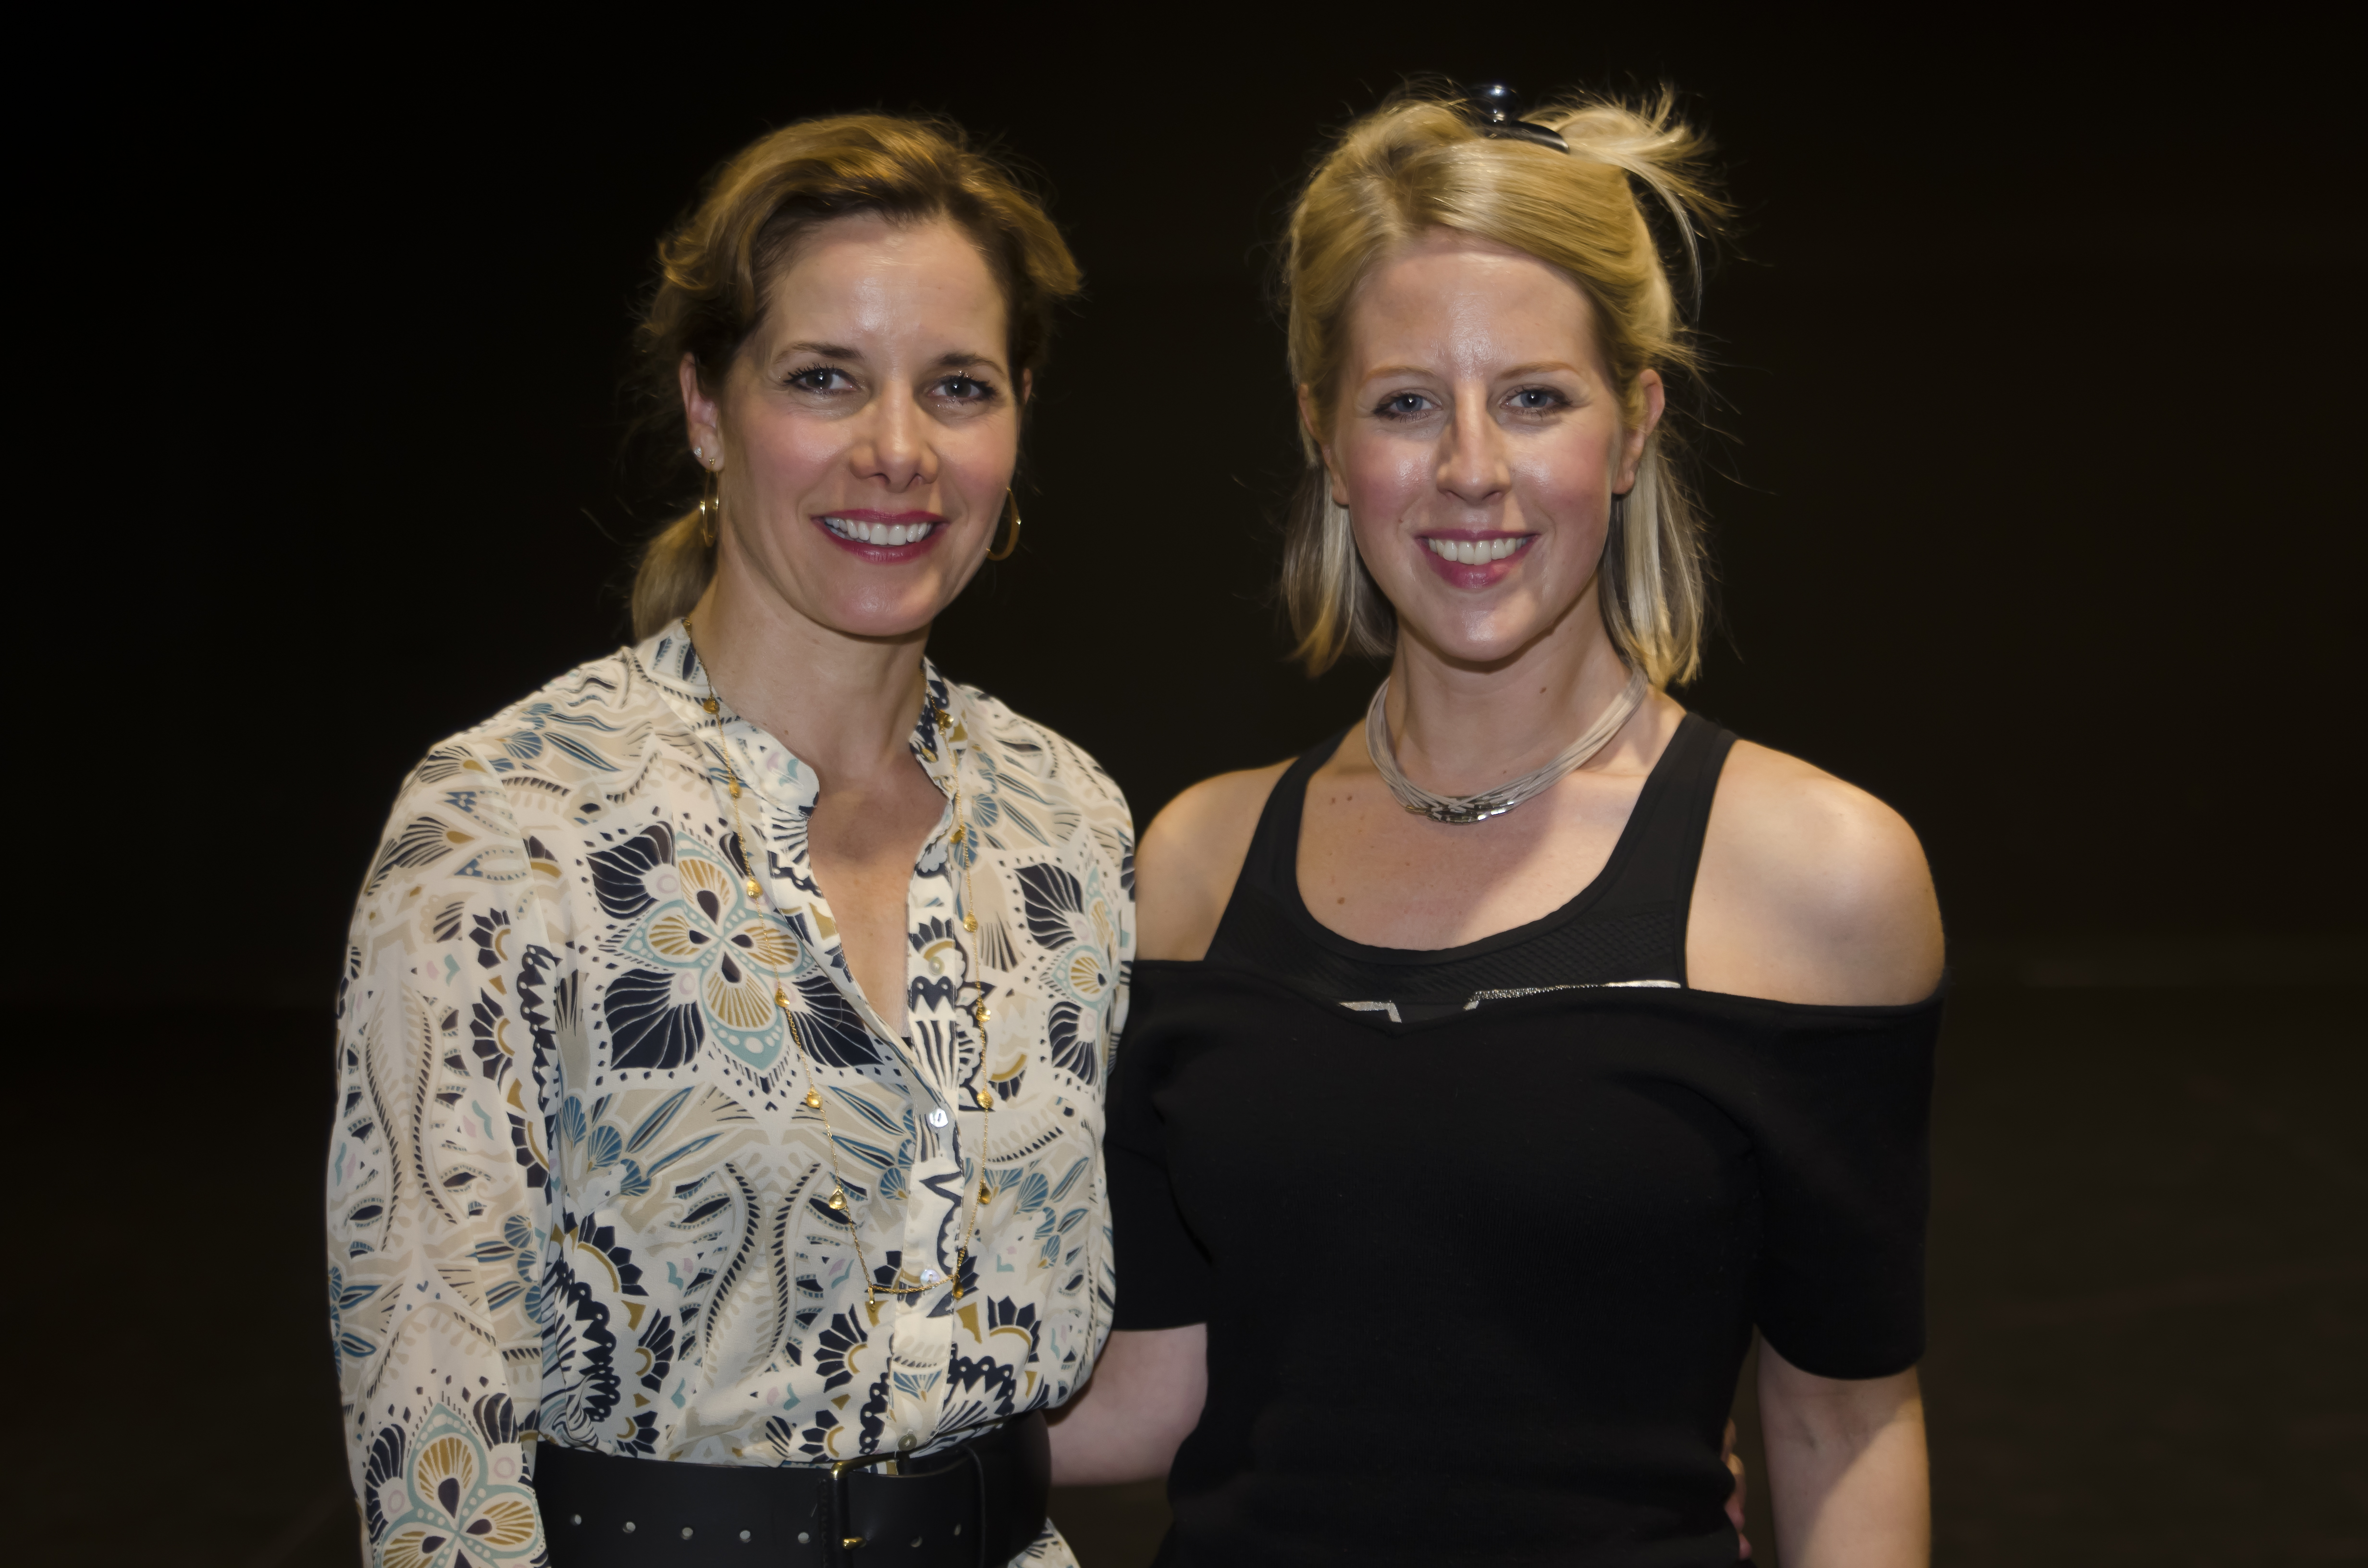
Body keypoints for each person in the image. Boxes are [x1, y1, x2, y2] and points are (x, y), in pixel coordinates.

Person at [1048, 86, 1943, 1566]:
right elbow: (1155, 1390)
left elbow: (1843, 1423)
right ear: (1326, 442)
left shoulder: (1822, 875)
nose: (1472, 468)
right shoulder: (1194, 865)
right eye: (1406, 402)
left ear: (1635, 423)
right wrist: (741, 1417)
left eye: (1535, 397)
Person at [326, 114, 1134, 1568]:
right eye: (824, 380)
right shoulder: (506, 826)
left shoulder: (1070, 821)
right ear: (707, 410)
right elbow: (435, 1442)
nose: (898, 451)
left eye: (959, 387)